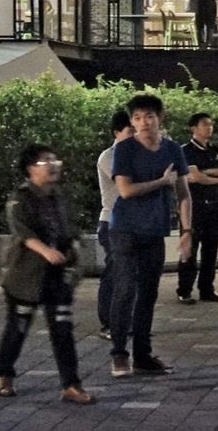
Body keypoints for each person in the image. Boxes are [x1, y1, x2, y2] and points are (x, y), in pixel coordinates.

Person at [0, 142, 93, 405]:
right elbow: (23, 232)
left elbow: (71, 228)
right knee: (18, 327)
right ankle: (4, 374)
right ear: (31, 169)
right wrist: (46, 251)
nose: (52, 165)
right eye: (45, 161)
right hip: (25, 276)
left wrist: (73, 252)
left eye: (54, 160)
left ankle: (71, 385)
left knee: (62, 328)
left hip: (57, 275)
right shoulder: (20, 198)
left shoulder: (59, 196)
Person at [108, 92, 191, 380]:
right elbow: (126, 191)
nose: (144, 122)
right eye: (137, 118)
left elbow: (184, 193)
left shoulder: (172, 150)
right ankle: (119, 354)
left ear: (160, 118)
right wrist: (161, 181)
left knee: (148, 293)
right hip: (124, 229)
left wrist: (187, 231)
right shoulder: (125, 149)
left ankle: (143, 355)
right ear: (132, 121)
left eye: (149, 116)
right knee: (125, 289)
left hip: (155, 229)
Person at [178, 112, 218, 303]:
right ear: (193, 128)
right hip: (194, 207)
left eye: (210, 124)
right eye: (204, 124)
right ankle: (184, 289)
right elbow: (195, 177)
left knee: (211, 250)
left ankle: (207, 289)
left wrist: (208, 172)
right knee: (190, 250)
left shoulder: (215, 150)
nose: (209, 128)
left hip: (214, 206)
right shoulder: (186, 151)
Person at [95, 109, 132, 337]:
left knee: (130, 276)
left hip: (133, 223)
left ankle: (125, 322)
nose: (134, 135)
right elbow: (127, 182)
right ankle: (108, 323)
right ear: (116, 132)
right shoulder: (108, 156)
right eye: (130, 131)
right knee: (115, 274)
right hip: (111, 223)